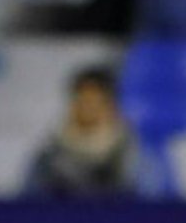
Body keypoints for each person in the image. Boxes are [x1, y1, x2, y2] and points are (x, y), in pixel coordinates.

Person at [24, 67, 141, 198]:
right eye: (82, 100)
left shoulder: (132, 154)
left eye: (95, 101)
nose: (87, 109)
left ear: (111, 106)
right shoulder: (48, 156)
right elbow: (30, 204)